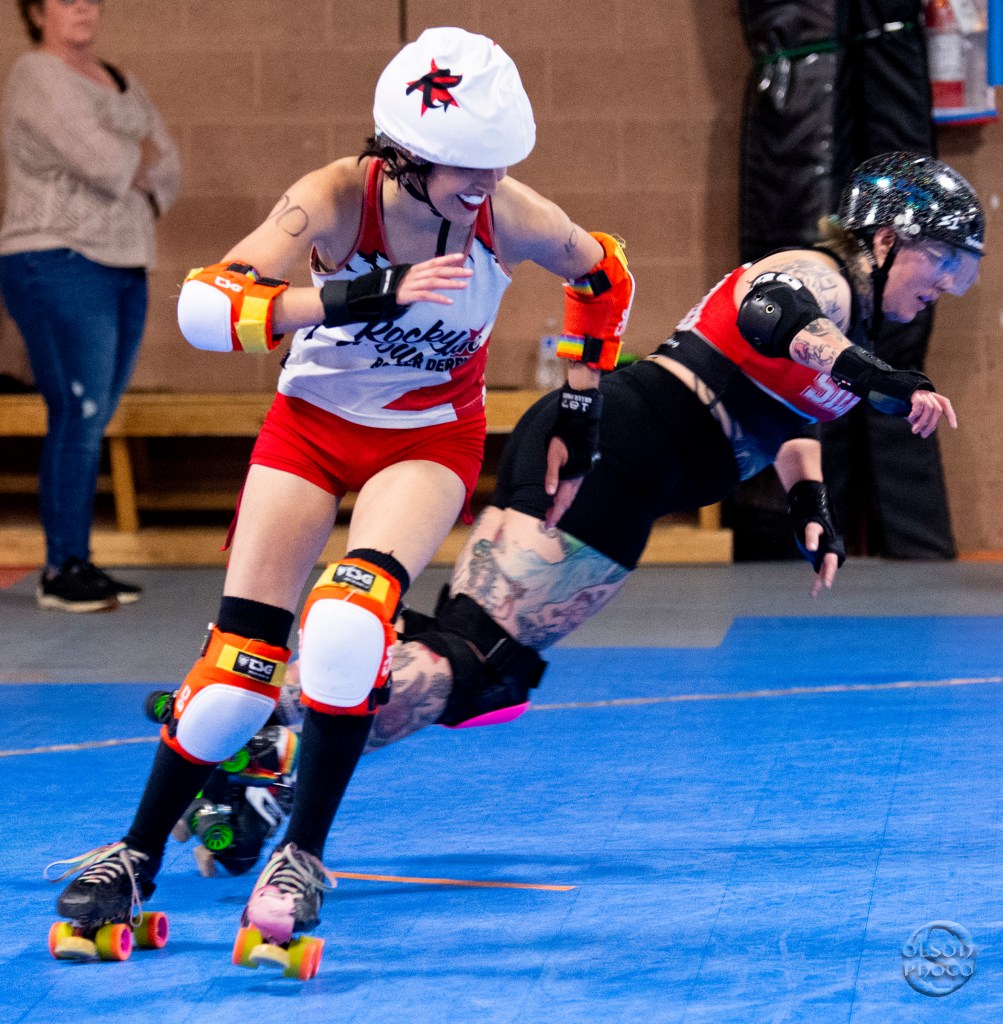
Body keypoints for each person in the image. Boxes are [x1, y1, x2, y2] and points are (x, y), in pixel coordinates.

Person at [137, 152, 984, 886]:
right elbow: (775, 317)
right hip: (615, 455)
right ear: (883, 239)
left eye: (962, 268)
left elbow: (788, 407)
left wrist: (809, 501)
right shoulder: (817, 275)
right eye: (942, 258)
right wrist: (879, 378)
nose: (948, 283)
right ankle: (259, 736)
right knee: (476, 663)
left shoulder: (851, 319)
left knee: (479, 667)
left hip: (630, 472)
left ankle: (262, 733)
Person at [46, 27, 634, 974]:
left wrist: (578, 400)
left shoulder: (508, 212)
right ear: (402, 155)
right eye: (465, 168)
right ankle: (135, 854)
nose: (485, 185)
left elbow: (603, 273)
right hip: (310, 430)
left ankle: (302, 855)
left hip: (428, 436)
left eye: (496, 165)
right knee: (236, 675)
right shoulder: (330, 197)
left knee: (347, 622)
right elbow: (204, 306)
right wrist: (355, 296)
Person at [0, 0, 181, 611]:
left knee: (96, 412)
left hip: (126, 259)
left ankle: (78, 561)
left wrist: (135, 168)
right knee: (76, 412)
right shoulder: (36, 73)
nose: (82, 6)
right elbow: (106, 160)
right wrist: (133, 159)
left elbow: (169, 164)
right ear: (35, 12)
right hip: (55, 257)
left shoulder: (120, 79)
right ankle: (63, 567)